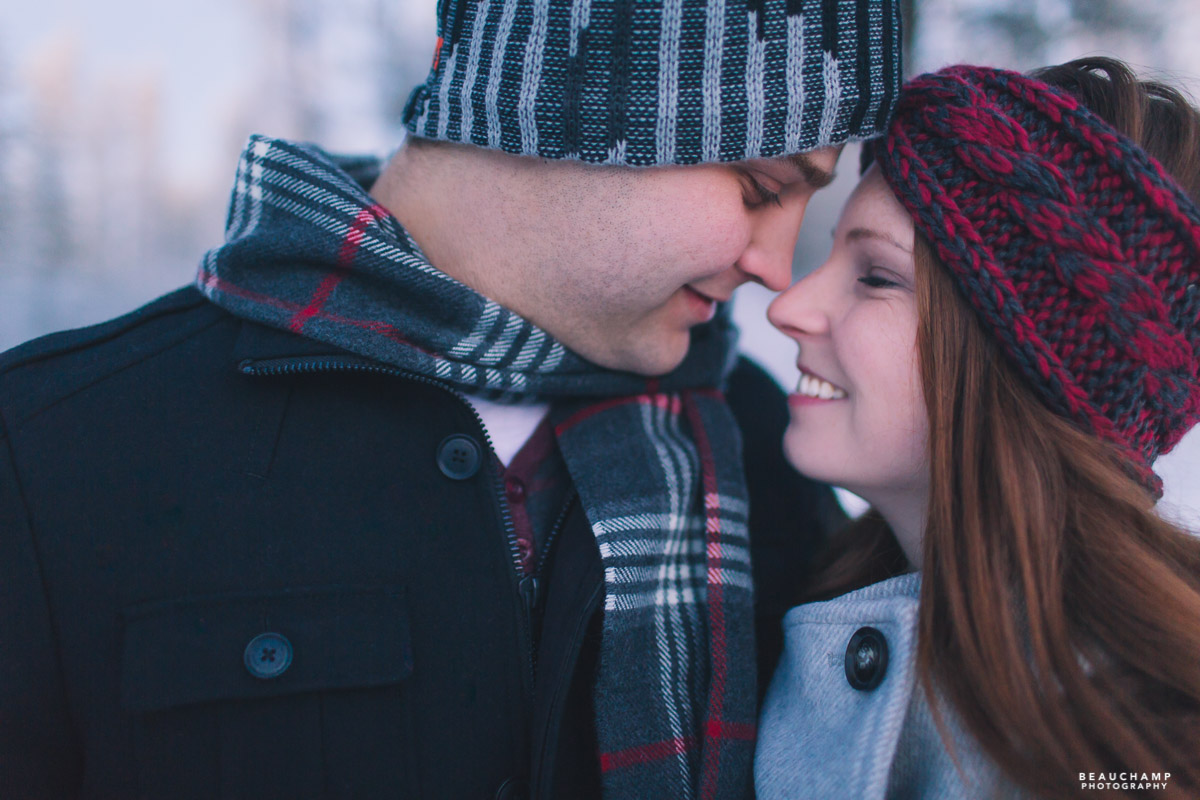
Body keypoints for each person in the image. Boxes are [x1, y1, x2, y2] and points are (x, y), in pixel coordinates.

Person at [0, 1, 902, 798]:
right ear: (571, 101)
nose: (774, 270)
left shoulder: (752, 434)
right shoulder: (53, 453)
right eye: (759, 189)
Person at [756, 57, 1200, 799]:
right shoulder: (789, 600)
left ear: (1018, 360)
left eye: (875, 275)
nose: (788, 305)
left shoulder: (1147, 748)